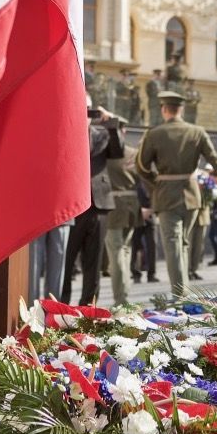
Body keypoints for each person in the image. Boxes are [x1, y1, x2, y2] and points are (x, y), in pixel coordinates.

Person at [136, 91, 217, 295]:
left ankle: (180, 294)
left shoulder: (154, 133)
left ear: (164, 110)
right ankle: (184, 290)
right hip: (192, 195)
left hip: (166, 196)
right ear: (181, 110)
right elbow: (215, 159)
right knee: (183, 241)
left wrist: (155, 183)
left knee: (173, 244)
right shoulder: (197, 132)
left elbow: (141, 166)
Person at [62, 106, 124, 306]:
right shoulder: (67, 130)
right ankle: (61, 305)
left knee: (94, 260)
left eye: (90, 111)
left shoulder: (103, 134)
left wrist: (111, 122)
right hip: (72, 206)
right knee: (66, 260)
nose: (87, 114)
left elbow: (118, 152)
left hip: (99, 204)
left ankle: (87, 306)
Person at [104, 146, 141, 305]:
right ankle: (124, 294)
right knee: (125, 250)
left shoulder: (105, 152)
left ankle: (121, 299)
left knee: (116, 252)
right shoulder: (133, 153)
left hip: (113, 205)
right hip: (132, 204)